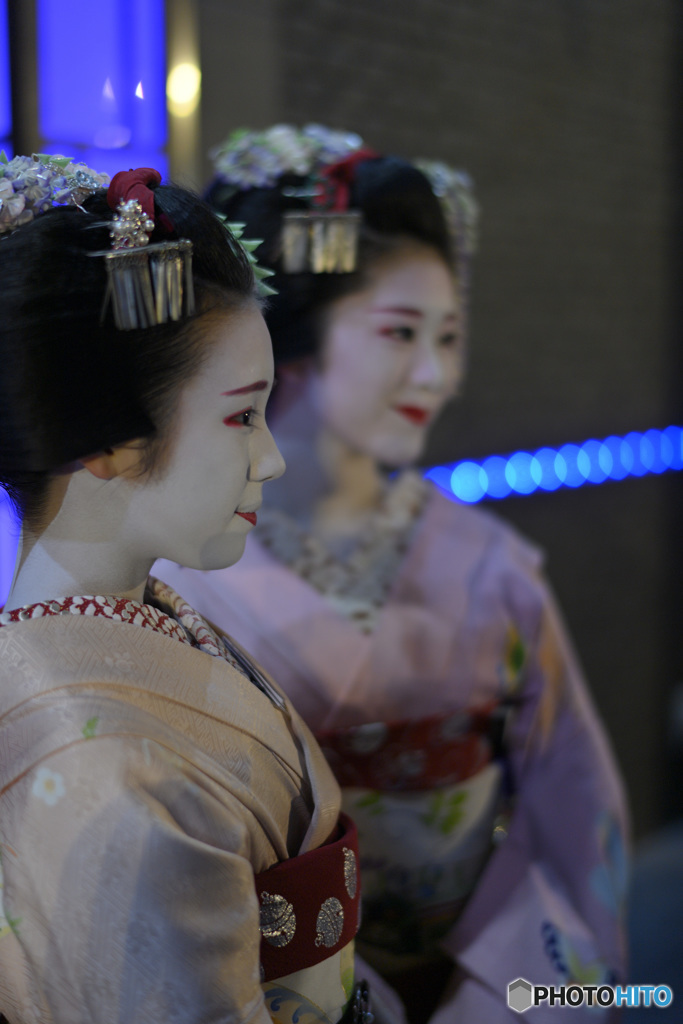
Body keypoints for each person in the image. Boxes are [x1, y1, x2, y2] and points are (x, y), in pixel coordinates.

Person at [157, 126, 629, 1022]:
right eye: (399, 332)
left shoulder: (488, 563)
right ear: (292, 335)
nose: (435, 373)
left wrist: (584, 964)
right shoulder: (190, 578)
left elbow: (572, 788)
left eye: (449, 336)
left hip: (503, 963)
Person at [0, 156, 370, 1024]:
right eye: (242, 415)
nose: (271, 457)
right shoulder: (97, 766)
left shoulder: (133, 620)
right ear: (105, 440)